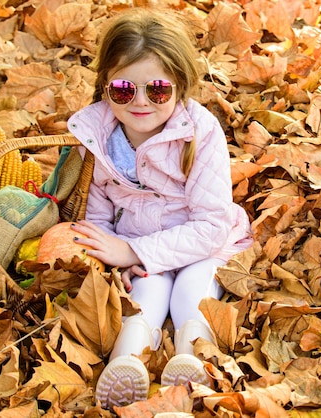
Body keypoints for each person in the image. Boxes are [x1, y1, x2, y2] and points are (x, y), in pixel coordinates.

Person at [66, 7, 253, 409]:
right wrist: (117, 256)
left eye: (157, 90)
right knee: (144, 299)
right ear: (105, 86)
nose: (139, 102)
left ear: (179, 85)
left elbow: (212, 224)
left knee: (189, 294)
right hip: (138, 242)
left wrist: (134, 251)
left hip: (203, 243)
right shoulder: (96, 137)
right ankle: (127, 363)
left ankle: (194, 361)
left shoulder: (199, 132)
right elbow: (97, 214)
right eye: (122, 89)